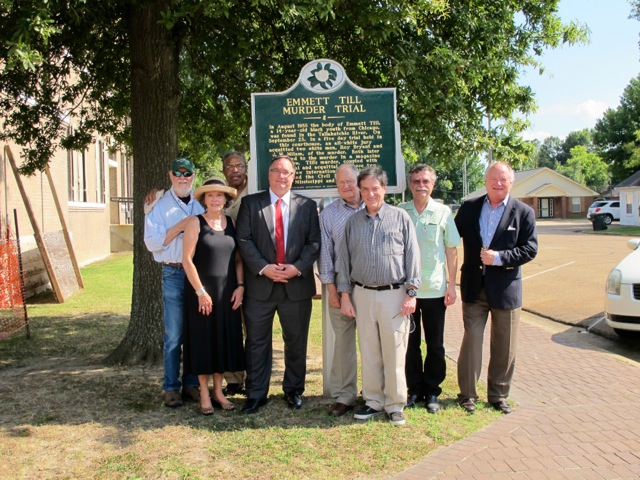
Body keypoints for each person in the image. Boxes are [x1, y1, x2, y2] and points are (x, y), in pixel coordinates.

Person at [336, 165, 421, 426]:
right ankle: (373, 401)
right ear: (360, 191)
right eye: (366, 189)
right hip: (362, 294)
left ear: (384, 189)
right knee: (370, 351)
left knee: (395, 351)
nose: (371, 194)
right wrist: (345, 296)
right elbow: (344, 262)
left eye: (376, 188)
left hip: (394, 295)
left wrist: (411, 293)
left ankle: (395, 404)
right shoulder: (352, 223)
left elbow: (412, 257)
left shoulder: (400, 218)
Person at [236, 155, 321, 414]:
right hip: (260, 286)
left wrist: (296, 268)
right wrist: (265, 268)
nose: (281, 176)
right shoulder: (251, 203)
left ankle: (293, 390)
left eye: (287, 172)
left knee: (296, 341)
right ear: (268, 174)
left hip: (296, 287)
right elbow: (244, 239)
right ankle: (256, 393)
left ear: (293, 176)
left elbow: (314, 243)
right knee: (256, 342)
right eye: (276, 171)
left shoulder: (307, 206)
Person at [454, 161, 538, 415]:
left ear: (511, 182)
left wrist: (499, 257)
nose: (498, 183)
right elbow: (448, 238)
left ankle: (498, 395)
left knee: (505, 344)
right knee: (472, 342)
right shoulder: (469, 208)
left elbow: (530, 249)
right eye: (494, 178)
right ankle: (467, 394)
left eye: (503, 179)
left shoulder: (523, 212)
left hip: (506, 289)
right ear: (485, 180)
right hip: (474, 287)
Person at [399, 164, 461, 414]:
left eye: (425, 181)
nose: (420, 185)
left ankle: (433, 391)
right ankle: (414, 389)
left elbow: (451, 250)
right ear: (409, 184)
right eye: (415, 181)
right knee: (410, 344)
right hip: (408, 291)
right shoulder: (401, 212)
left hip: (435, 290)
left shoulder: (443, 212)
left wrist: (452, 285)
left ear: (432, 184)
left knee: (435, 344)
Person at [144, 157, 204, 408]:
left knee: (194, 332)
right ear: (170, 175)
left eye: (187, 174)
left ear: (193, 176)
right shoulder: (157, 205)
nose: (183, 178)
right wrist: (182, 226)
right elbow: (153, 243)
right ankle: (170, 387)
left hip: (198, 274)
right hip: (172, 273)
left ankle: (191, 384)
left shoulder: (201, 205)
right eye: (178, 173)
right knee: (174, 334)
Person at [181, 177, 245, 414]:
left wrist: (240, 286)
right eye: (210, 195)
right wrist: (200, 292)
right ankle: (204, 394)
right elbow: (186, 260)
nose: (215, 199)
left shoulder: (232, 223)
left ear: (226, 199)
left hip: (227, 293)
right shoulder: (195, 223)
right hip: (201, 294)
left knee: (222, 342)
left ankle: (219, 391)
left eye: (220, 195)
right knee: (203, 342)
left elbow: (238, 259)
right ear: (204, 200)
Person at [317, 164, 364, 417]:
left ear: (359, 180)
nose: (346, 186)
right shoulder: (328, 214)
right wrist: (332, 290)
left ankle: (374, 393)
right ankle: (345, 395)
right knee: (343, 342)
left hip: (371, 284)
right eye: (341, 183)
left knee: (372, 341)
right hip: (339, 282)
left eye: (350, 181)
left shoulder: (374, 206)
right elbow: (325, 255)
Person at [221, 151, 249, 396]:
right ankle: (233, 379)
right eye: (230, 167)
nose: (235, 170)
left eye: (239, 165)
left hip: (253, 269)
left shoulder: (257, 192)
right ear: (224, 172)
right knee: (231, 327)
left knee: (254, 327)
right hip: (227, 271)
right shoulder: (220, 196)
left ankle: (255, 377)